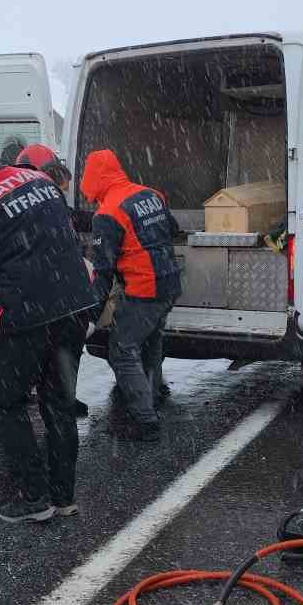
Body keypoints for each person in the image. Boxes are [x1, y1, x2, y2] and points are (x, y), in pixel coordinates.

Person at [0, 142, 96, 523]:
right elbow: (69, 238)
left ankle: (34, 498)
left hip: (24, 318)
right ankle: (64, 496)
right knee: (60, 404)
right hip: (73, 306)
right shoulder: (41, 181)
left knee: (7, 404)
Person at [79, 149, 181, 441]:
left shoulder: (108, 213)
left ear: (93, 178)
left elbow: (102, 272)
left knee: (122, 350)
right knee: (151, 341)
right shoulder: (150, 194)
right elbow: (171, 229)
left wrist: (89, 316)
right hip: (169, 283)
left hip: (143, 290)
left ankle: (145, 421)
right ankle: (153, 394)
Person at [13, 145, 90, 418]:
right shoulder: (36, 200)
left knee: (57, 357)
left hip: (47, 296)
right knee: (55, 356)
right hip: (49, 296)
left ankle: (60, 399)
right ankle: (55, 401)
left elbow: (74, 219)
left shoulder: (34, 198)